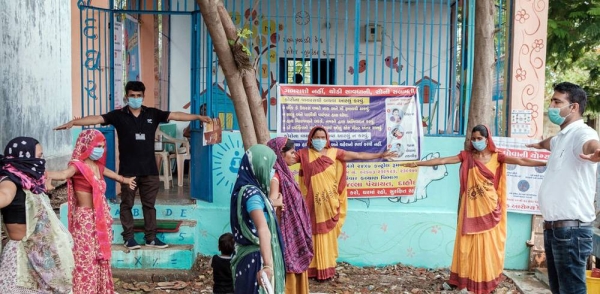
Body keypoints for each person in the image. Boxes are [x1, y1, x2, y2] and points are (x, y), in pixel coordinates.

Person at [54, 81, 212, 250]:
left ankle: (151, 238)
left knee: (149, 205)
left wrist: (197, 117)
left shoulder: (153, 114)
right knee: (126, 204)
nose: (135, 98)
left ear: (143, 97)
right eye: (132, 95)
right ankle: (128, 238)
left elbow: (176, 115)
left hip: (150, 170)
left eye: (138, 96)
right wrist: (74, 123)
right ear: (126, 96)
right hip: (128, 172)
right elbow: (97, 118)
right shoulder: (118, 116)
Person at [401, 125, 546, 294]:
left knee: (488, 246)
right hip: (470, 209)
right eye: (473, 139)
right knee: (466, 245)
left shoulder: (497, 157)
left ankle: (484, 281)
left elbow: (522, 161)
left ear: (487, 139)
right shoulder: (467, 156)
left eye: (479, 139)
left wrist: (546, 163)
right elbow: (443, 161)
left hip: (490, 209)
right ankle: (463, 281)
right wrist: (418, 164)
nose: (476, 142)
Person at [296, 126, 396, 281]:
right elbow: (287, 160)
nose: (320, 140)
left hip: (329, 204)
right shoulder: (303, 154)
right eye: (317, 137)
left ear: (327, 138)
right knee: (311, 234)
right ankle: (311, 269)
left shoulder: (334, 152)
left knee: (327, 236)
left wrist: (381, 154)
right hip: (311, 204)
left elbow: (358, 155)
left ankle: (326, 269)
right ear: (311, 138)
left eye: (323, 137)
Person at [527, 82, 600, 294]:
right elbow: (552, 142)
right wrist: (539, 144)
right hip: (555, 230)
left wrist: (597, 152)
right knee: (559, 290)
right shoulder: (561, 137)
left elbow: (591, 143)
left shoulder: (582, 134)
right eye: (552, 100)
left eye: (557, 102)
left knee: (572, 291)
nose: (552, 106)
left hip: (571, 231)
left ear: (574, 107)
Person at [46, 130, 136, 293]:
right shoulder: (77, 166)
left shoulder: (97, 166)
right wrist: (45, 174)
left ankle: (99, 288)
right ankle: (85, 289)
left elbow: (113, 175)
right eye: (97, 146)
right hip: (86, 218)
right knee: (85, 256)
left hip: (101, 218)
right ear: (87, 146)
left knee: (100, 255)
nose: (100, 149)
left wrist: (126, 180)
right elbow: (64, 174)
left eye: (102, 146)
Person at [0, 137, 75, 293]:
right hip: (22, 257)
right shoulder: (10, 181)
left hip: (39, 255)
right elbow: (4, 197)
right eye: (39, 156)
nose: (41, 160)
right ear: (25, 157)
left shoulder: (28, 180)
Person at [230, 145, 285, 293]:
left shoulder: (249, 190)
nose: (272, 172)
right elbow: (262, 227)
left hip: (249, 256)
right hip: (256, 260)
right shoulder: (252, 194)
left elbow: (260, 213)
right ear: (261, 166)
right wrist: (267, 265)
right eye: (271, 167)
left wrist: (274, 206)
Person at [267, 137, 313, 293]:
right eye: (292, 153)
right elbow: (271, 201)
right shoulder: (276, 176)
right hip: (285, 230)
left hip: (294, 229)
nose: (295, 156)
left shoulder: (285, 173)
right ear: (280, 153)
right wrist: (277, 203)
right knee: (289, 265)